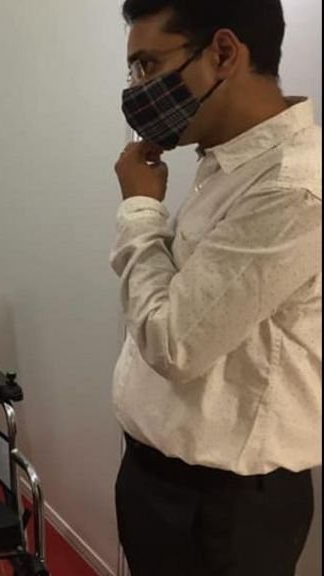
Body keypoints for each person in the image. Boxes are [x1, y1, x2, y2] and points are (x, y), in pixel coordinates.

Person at [111, 1, 321, 575]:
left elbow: (174, 343)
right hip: (164, 484)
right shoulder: (231, 163)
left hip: (223, 514)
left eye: (148, 65)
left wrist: (139, 209)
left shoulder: (292, 188)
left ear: (223, 53)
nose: (138, 89)